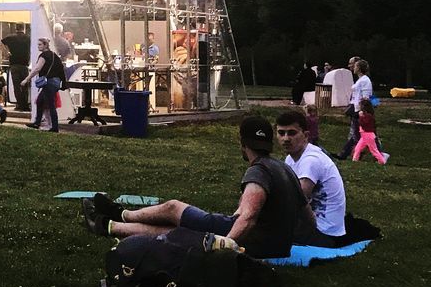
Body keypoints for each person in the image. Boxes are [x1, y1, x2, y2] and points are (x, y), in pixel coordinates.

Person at [82, 115, 309, 260]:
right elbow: (308, 217)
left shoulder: (258, 170)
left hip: (251, 240)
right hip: (278, 247)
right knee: (179, 233)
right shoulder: (285, 169)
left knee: (172, 208)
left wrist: (225, 246)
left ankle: (122, 213)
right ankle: (108, 226)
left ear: (242, 143)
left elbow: (248, 217)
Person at [276, 109, 347, 246]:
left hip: (324, 232)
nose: (285, 138)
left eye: (292, 133)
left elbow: (296, 200)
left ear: (306, 135)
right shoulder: (290, 158)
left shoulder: (311, 160)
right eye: (281, 133)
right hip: (313, 224)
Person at [20, 37, 63, 131]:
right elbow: (60, 68)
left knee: (50, 105)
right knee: (40, 101)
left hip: (49, 82)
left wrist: (26, 79)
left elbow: (37, 69)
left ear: (45, 45)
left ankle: (54, 127)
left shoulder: (44, 55)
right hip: (55, 82)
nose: (38, 46)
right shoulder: (54, 55)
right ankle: (37, 122)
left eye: (40, 44)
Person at [337, 58, 372, 160]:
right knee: (357, 134)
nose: (353, 68)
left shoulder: (365, 80)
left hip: (360, 110)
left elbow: (366, 96)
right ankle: (349, 154)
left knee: (358, 134)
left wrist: (362, 110)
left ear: (360, 68)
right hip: (356, 108)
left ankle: (346, 154)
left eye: (355, 66)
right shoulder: (360, 80)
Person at [2, 27, 31, 115]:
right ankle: (25, 104)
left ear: (16, 28)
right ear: (24, 28)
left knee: (16, 86)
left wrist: (6, 52)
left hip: (14, 64)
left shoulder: (11, 37)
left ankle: (19, 104)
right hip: (24, 65)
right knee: (25, 85)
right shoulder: (28, 38)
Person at [352, 98, 387, 164]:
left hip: (368, 135)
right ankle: (354, 160)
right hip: (364, 135)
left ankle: (382, 161)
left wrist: (361, 117)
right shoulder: (367, 115)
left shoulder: (368, 116)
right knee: (358, 148)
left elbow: (364, 124)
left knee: (374, 150)